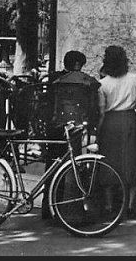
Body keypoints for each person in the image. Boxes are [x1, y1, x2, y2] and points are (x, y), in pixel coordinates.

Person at [42, 50, 100, 219]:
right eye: (81, 66)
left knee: (52, 168)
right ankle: (71, 212)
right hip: (73, 130)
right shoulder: (81, 82)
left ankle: (49, 208)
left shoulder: (55, 79)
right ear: (76, 65)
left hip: (54, 128)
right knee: (73, 170)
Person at [97, 45, 136, 216]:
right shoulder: (133, 79)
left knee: (108, 162)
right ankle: (129, 205)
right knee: (131, 160)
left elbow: (101, 111)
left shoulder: (103, 84)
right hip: (130, 120)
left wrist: (98, 133)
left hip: (110, 123)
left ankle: (109, 205)